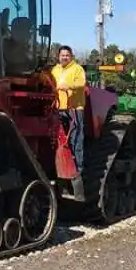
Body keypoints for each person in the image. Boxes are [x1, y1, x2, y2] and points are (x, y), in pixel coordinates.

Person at [51, 45, 87, 175]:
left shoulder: (78, 69)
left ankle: (78, 169)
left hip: (74, 109)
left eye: (67, 55)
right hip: (58, 108)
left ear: (71, 56)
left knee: (75, 139)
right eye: (62, 55)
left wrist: (69, 86)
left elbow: (82, 83)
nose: (64, 57)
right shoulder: (55, 69)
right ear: (59, 57)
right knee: (59, 139)